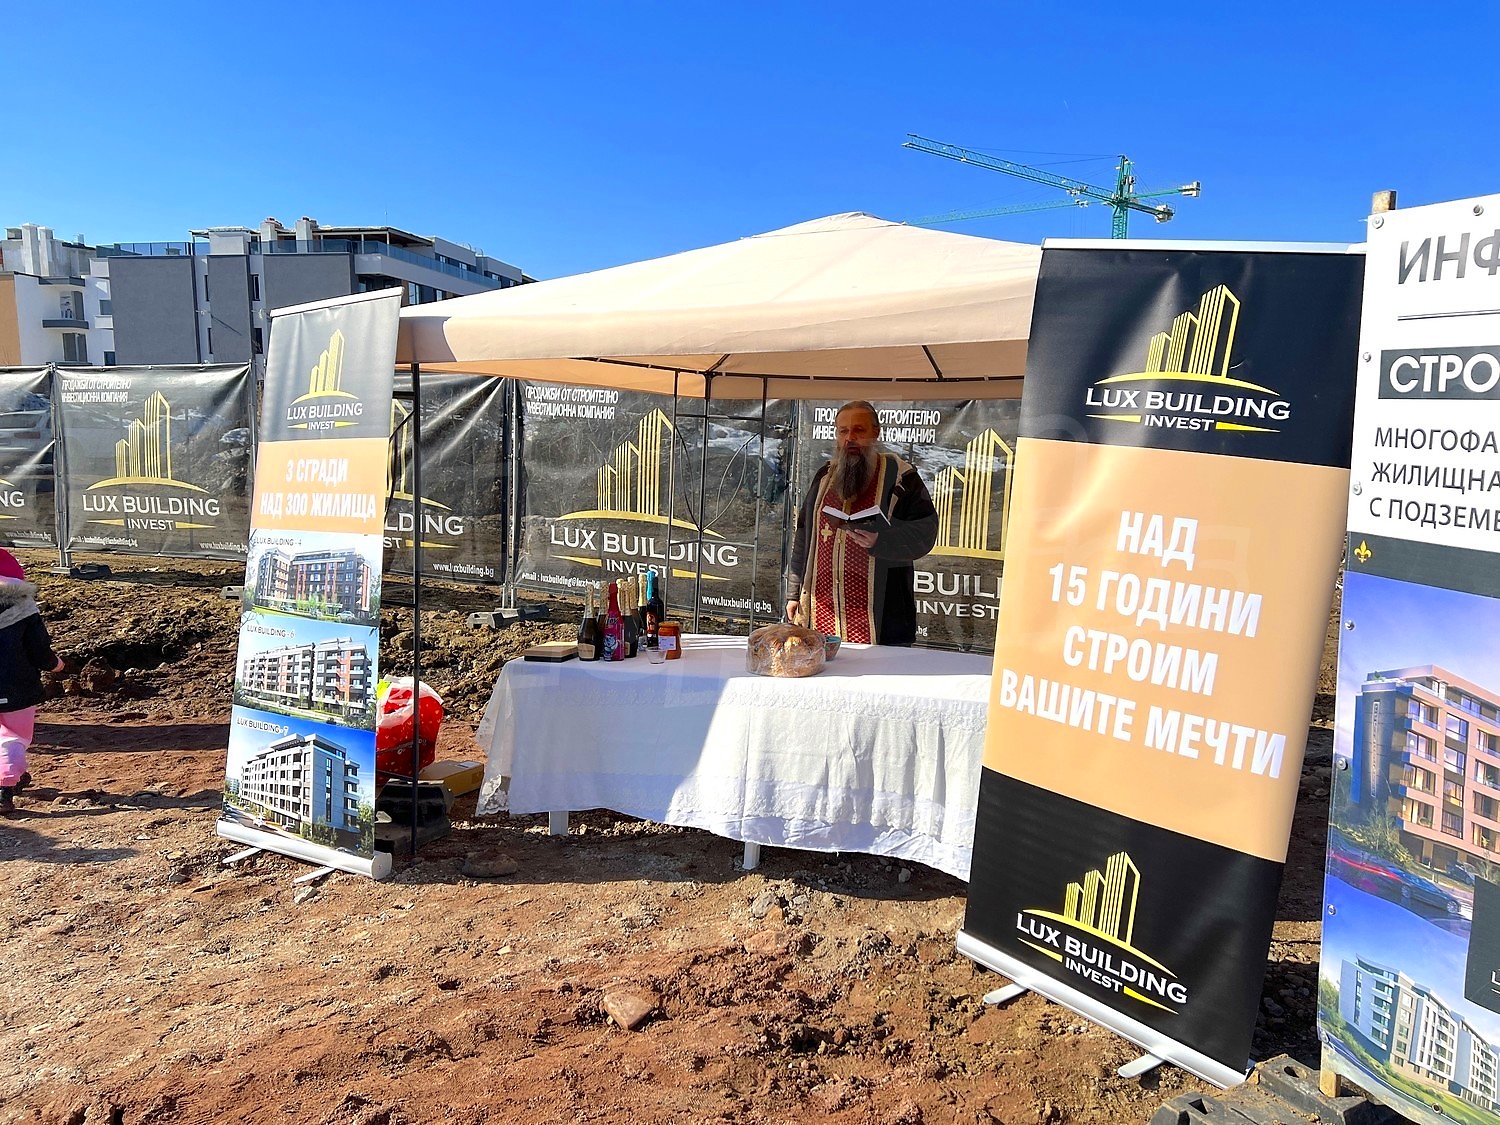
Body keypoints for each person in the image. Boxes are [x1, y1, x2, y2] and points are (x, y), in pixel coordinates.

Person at [785, 401, 938, 646]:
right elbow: (804, 536)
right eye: (843, 431)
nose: (850, 438)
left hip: (882, 617)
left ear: (875, 433)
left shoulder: (901, 476)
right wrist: (793, 594)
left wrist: (881, 540)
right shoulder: (824, 476)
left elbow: (925, 531)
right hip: (822, 608)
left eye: (859, 430)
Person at [0, 549, 64, 814]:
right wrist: (55, 665)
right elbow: (38, 649)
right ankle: (5, 786)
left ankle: (13, 775)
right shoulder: (24, 606)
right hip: (19, 686)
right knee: (13, 736)